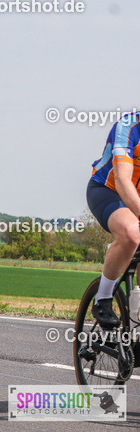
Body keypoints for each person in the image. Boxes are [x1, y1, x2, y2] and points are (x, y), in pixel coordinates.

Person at [87, 112, 140, 328]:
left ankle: (136, 326)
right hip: (109, 190)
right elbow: (122, 179)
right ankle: (103, 299)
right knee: (131, 233)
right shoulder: (129, 126)